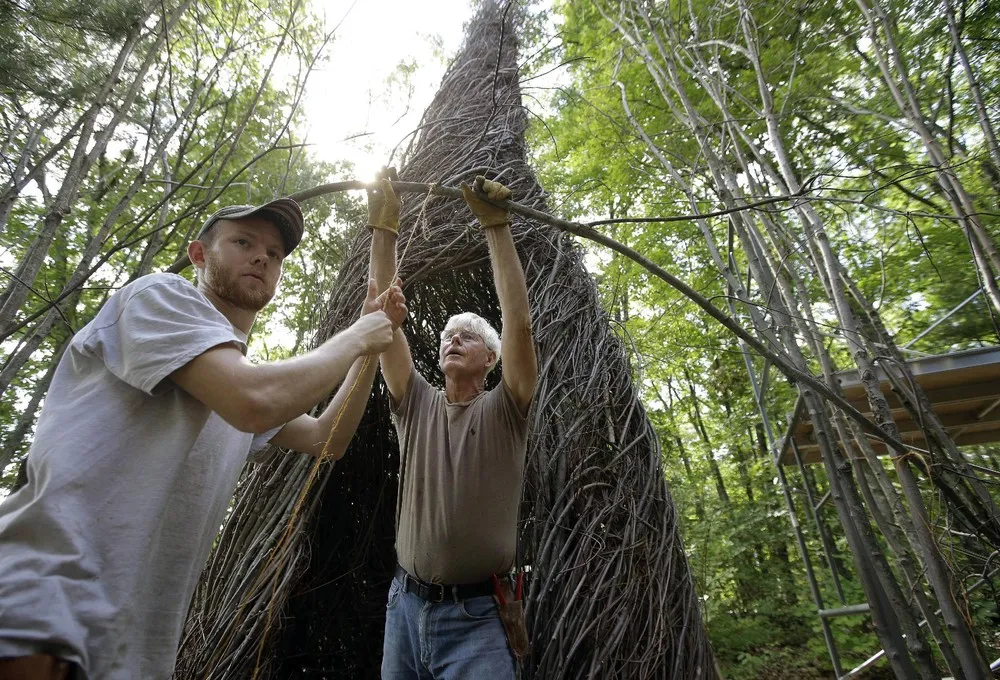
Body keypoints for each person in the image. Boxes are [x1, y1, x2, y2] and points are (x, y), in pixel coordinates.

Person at [0, 197, 407, 680]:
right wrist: (358, 336)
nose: (261, 257)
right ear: (198, 254)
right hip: (41, 616)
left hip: (134, 647)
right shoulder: (159, 298)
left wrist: (368, 351)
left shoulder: (236, 374)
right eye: (243, 242)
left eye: (274, 254)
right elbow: (252, 399)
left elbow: (326, 438)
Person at [367, 170, 537, 679]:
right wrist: (384, 226)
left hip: (478, 619)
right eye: (446, 334)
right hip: (405, 607)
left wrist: (496, 228)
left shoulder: (506, 408)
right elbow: (381, 316)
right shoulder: (415, 403)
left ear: (491, 358)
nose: (452, 339)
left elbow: (520, 326)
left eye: (467, 335)